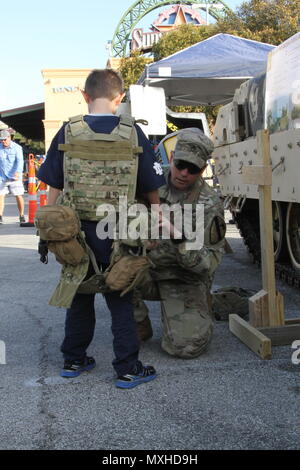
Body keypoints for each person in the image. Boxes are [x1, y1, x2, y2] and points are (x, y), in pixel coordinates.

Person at [37, 68, 166, 389]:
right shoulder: (132, 131)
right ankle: (127, 368)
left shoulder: (69, 131)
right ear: (119, 98)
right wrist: (158, 217)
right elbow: (150, 185)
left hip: (75, 232)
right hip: (119, 231)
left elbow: (53, 184)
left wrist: (48, 228)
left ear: (84, 96)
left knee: (78, 294)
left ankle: (74, 359)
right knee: (120, 296)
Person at [134, 128, 226, 358]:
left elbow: (207, 265)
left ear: (203, 170)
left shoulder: (209, 203)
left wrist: (178, 237)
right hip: (149, 271)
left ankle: (224, 302)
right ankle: (137, 323)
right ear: (172, 157)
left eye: (193, 169)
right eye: (181, 164)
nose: (184, 173)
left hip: (183, 277)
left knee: (185, 347)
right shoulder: (149, 185)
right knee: (114, 268)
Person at [0, 129, 25, 224]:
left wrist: (18, 172)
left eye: (4, 140)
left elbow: (20, 161)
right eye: (1, 140)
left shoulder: (17, 148)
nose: (3, 142)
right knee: (0, 196)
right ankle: (0, 216)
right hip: (2, 176)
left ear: (9, 138)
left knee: (18, 195)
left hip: (15, 176)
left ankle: (21, 215)